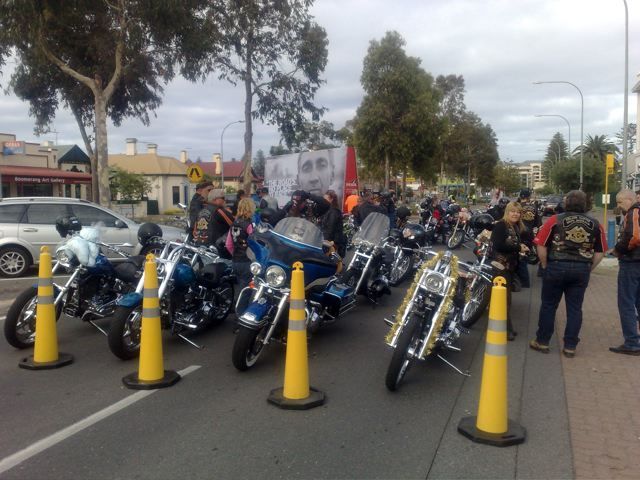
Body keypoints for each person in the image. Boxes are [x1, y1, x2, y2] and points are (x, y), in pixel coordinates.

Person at [530, 190, 606, 357]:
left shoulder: (554, 220)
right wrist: (588, 268)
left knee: (549, 305)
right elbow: (600, 252)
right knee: (575, 308)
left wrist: (545, 264)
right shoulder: (595, 224)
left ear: (566, 203)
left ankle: (542, 341)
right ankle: (570, 346)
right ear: (585, 204)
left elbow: (541, 245)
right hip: (581, 269)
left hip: (556, 266)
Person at [489, 201, 529, 341]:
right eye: (513, 211)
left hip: (509, 267)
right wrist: (518, 248)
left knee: (506, 300)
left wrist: (521, 248)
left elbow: (511, 244)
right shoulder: (501, 225)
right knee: (503, 300)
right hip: (500, 267)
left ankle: (507, 327)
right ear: (507, 212)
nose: (515, 214)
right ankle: (505, 329)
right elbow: (498, 245)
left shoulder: (515, 226)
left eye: (518, 212)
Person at [608, 189, 640, 355]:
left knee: (626, 303)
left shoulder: (634, 212)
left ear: (629, 199)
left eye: (620, 202)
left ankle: (632, 343)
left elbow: (634, 236)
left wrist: (618, 250)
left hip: (632, 262)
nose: (619, 206)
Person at [226, 198, 256, 291]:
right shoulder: (249, 225)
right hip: (246, 261)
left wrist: (235, 254)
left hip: (235, 261)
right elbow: (254, 244)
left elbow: (228, 244)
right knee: (246, 290)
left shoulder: (234, 223)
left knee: (239, 286)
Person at [516, 188, 541, 289]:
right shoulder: (534, 207)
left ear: (520, 196)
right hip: (529, 234)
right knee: (524, 256)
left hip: (518, 233)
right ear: (529, 197)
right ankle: (523, 280)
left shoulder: (517, 207)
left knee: (519, 258)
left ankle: (524, 281)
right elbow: (538, 223)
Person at [320, 190, 346, 257]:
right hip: (329, 240)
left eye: (325, 199)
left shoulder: (333, 212)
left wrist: (325, 241)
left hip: (331, 242)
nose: (323, 201)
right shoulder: (328, 210)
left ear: (331, 200)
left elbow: (330, 228)